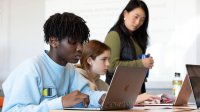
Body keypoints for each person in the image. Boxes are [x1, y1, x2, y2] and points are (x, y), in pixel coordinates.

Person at [2, 12, 106, 112]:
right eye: (73, 42)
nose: (80, 48)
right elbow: (12, 110)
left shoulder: (69, 69)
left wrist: (101, 96)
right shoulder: (32, 68)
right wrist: (60, 103)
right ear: (53, 41)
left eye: (81, 42)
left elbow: (86, 94)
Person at [76, 40, 159, 104]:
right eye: (104, 59)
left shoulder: (102, 84)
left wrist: (138, 99)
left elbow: (114, 102)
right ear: (89, 60)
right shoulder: (77, 79)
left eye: (108, 59)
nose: (108, 64)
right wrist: (134, 99)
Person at [104, 0, 154, 93]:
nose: (138, 22)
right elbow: (111, 66)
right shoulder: (114, 35)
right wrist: (141, 63)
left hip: (135, 90)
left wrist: (146, 63)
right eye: (136, 17)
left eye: (142, 20)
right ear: (125, 14)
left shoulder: (136, 37)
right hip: (119, 92)